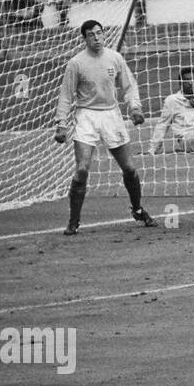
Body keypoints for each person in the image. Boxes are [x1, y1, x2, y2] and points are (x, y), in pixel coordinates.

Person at [53, 20, 157, 235]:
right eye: (91, 35)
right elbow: (65, 95)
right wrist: (61, 123)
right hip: (86, 116)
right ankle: (73, 221)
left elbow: (129, 85)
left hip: (111, 115)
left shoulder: (114, 58)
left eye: (100, 33)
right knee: (81, 169)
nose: (97, 38)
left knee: (129, 168)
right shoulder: (76, 63)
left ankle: (137, 209)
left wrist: (135, 108)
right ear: (84, 38)